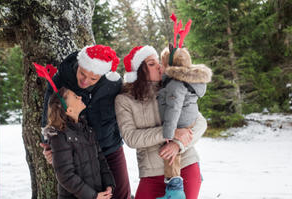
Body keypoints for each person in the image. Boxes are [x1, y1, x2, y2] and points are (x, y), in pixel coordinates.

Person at [115, 45, 208, 199]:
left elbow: (200, 122)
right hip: (151, 173)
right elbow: (131, 138)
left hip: (184, 166)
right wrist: (169, 132)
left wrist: (178, 144)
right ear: (138, 71)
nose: (159, 66)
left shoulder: (173, 87)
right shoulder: (124, 100)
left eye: (158, 62)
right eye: (151, 64)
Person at [40, 45, 131, 199]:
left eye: (93, 78)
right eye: (82, 73)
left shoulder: (112, 83)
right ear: (79, 65)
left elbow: (127, 106)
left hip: (109, 146)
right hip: (76, 151)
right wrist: (49, 146)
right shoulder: (61, 79)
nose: (85, 81)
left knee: (120, 193)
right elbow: (48, 114)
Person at [157, 45, 212, 199]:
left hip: (180, 123)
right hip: (187, 119)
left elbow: (173, 110)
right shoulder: (182, 82)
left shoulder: (174, 85)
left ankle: (175, 191)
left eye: (162, 63)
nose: (160, 66)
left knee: (171, 156)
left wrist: (169, 134)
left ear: (169, 66)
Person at [44, 87, 115, 199]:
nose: (80, 97)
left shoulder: (87, 130)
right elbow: (66, 175)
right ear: (69, 110)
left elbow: (101, 160)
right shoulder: (59, 137)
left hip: (98, 194)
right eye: (75, 97)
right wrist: (93, 196)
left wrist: (108, 185)